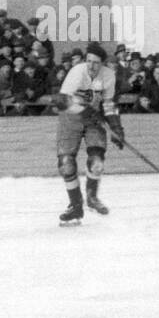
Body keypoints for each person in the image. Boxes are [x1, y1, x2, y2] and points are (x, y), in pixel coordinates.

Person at [52, 43, 124, 224]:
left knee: (97, 162)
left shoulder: (109, 76)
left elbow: (108, 103)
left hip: (94, 119)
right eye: (89, 61)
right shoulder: (77, 72)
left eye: (96, 63)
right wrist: (85, 112)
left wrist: (116, 128)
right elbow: (62, 101)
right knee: (66, 163)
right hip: (71, 117)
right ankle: (75, 206)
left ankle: (92, 197)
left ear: (103, 64)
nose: (91, 66)